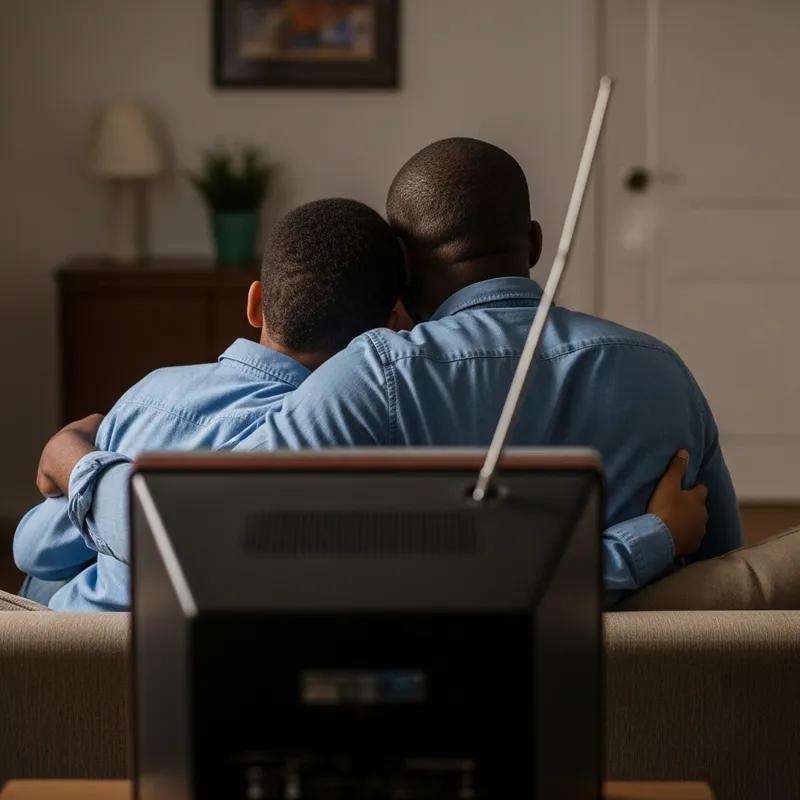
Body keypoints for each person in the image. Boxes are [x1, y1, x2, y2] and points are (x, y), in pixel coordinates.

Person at [32, 138, 726, 610]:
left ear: (403, 265)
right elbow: (729, 577)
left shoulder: (377, 375)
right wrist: (647, 541)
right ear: (535, 243)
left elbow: (193, 539)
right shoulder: (663, 371)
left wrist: (76, 460)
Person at [12, 198, 406, 611]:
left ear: (255, 304)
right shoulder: (351, 436)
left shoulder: (153, 394)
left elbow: (35, 551)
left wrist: (73, 449)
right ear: (385, 331)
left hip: (84, 651)